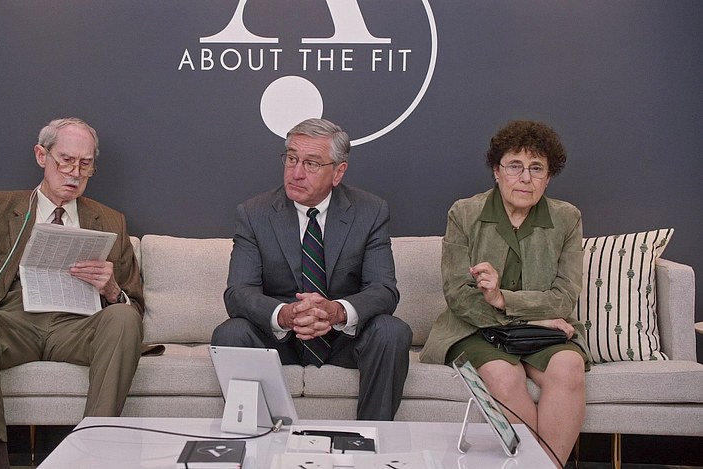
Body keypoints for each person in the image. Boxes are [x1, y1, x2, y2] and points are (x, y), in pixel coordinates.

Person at [0, 118, 144, 469]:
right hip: (12, 324)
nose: (75, 173)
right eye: (66, 161)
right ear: (41, 155)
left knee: (124, 316)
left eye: (85, 165)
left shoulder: (111, 221)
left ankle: (93, 451)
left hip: (76, 329)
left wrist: (112, 291)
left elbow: (135, 306)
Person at [211, 118, 412, 421]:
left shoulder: (370, 211)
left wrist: (336, 312)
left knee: (391, 331)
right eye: (292, 159)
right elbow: (238, 293)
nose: (296, 173)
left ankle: (371, 436)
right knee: (231, 333)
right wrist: (285, 314)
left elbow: (383, 290)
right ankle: (256, 435)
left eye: (312, 164)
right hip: (281, 341)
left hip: (344, 339)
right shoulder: (254, 213)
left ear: (338, 172)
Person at [420, 120, 591, 467]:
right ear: (497, 172)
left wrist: (503, 300)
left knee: (569, 365)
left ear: (548, 177)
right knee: (502, 374)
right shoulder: (464, 213)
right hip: (477, 330)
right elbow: (458, 294)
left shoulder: (567, 218)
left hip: (545, 333)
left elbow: (563, 298)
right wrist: (532, 317)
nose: (525, 178)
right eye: (515, 166)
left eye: (536, 168)